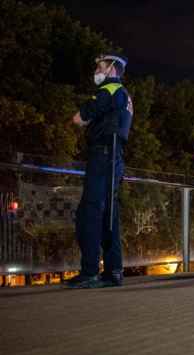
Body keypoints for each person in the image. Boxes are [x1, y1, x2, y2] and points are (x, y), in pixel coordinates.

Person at [64, 54, 133, 289]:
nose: (96, 70)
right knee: (109, 214)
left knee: (89, 212)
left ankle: (90, 271)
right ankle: (113, 271)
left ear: (112, 69)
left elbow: (78, 118)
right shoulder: (123, 95)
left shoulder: (109, 89)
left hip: (102, 155)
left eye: (100, 66)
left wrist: (85, 119)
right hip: (115, 157)